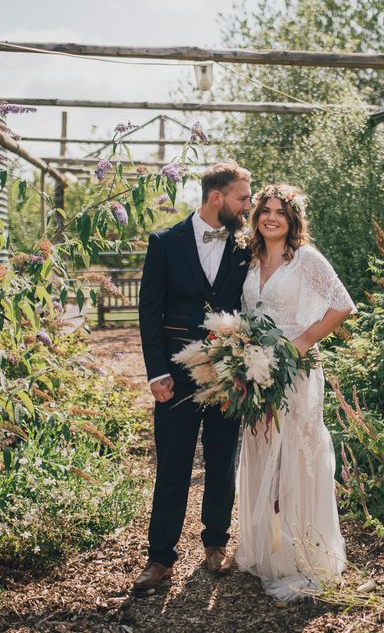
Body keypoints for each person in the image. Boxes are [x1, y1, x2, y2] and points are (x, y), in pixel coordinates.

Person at [135, 160, 252, 592]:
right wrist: (156, 372)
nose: (248, 205)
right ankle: (160, 557)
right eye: (243, 197)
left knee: (222, 461)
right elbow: (149, 311)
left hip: (227, 372)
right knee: (173, 465)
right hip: (177, 374)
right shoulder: (164, 242)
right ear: (217, 197)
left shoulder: (246, 245)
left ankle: (216, 544)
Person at [236, 184, 356, 601]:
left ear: (292, 220)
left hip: (296, 372)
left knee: (296, 457)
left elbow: (342, 305)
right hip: (256, 371)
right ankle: (269, 548)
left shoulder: (305, 258)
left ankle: (302, 554)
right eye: (264, 210)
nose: (270, 217)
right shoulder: (250, 259)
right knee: (264, 451)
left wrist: (299, 343)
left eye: (279, 213)